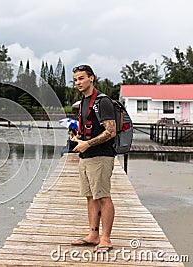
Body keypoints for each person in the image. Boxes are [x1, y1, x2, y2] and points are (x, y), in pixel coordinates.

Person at [70, 65, 116, 252]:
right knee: (90, 197)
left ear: (91, 78)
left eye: (81, 78)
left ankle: (106, 239)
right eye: (75, 80)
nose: (78, 83)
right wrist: (79, 139)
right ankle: (93, 234)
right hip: (86, 156)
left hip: (101, 157)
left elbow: (111, 131)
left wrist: (88, 144)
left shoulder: (102, 102)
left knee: (103, 197)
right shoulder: (83, 102)